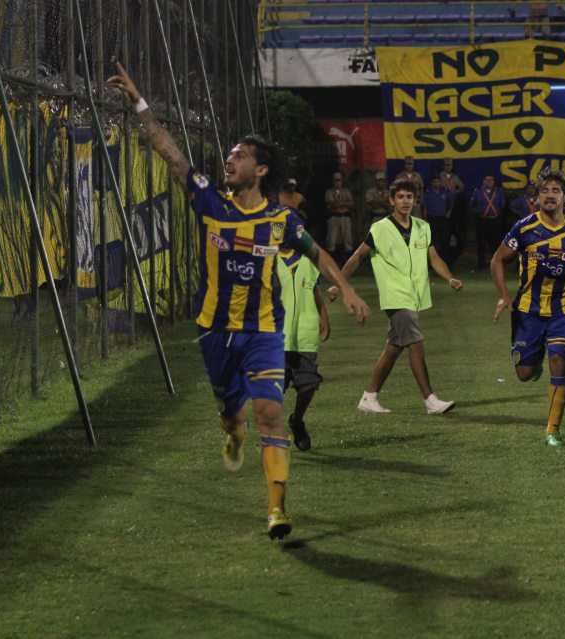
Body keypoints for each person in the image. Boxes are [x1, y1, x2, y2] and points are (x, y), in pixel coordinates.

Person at [107, 63, 371, 540]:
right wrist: (138, 101)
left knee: (269, 412)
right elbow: (169, 152)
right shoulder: (211, 202)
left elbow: (318, 253)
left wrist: (347, 289)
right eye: (229, 154)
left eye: (240, 155)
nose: (230, 159)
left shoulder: (281, 219)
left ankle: (277, 510)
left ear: (261, 169)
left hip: (264, 331)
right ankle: (232, 432)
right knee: (233, 414)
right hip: (215, 330)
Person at [328, 178, 463, 416]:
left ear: (415, 200)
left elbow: (433, 258)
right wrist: (339, 285)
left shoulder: (423, 227)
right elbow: (358, 257)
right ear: (392, 201)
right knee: (416, 343)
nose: (405, 201)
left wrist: (450, 278)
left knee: (394, 347)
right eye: (400, 197)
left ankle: (369, 396)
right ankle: (430, 400)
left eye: (409, 197)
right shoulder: (380, 228)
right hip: (394, 296)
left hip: (414, 296)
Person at [490, 166, 565, 447]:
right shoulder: (523, 228)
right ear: (537, 197)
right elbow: (497, 260)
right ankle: (533, 361)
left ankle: (552, 430)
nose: (550, 195)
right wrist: (503, 295)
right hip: (528, 312)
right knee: (524, 374)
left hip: (563, 311)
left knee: (559, 363)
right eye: (544, 190)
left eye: (556, 191)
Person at [277, 248, 330, 451]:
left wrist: (324, 317)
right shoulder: (267, 259)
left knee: (309, 384)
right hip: (276, 335)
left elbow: (314, 289)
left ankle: (297, 421)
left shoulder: (308, 259)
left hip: (305, 334)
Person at [469, 173, 506, 269]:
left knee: (495, 243)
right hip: (481, 221)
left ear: (494, 182)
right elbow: (472, 205)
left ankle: (495, 264)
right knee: (481, 243)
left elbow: (502, 205)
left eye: (491, 180)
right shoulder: (477, 192)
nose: (489, 182)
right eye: (487, 180)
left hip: (495, 220)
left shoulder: (499, 192)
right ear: (483, 181)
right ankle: (481, 264)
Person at [438, 158, 465, 264]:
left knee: (454, 229)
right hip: (442, 203)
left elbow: (462, 187)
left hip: (452, 205)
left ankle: (454, 254)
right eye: (446, 165)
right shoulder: (440, 176)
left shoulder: (455, 177)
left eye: (450, 165)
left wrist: (454, 192)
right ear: (443, 166)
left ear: (452, 166)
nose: (448, 167)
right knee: (444, 231)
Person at [423, 175, 454, 263]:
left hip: (443, 219)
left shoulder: (445, 193)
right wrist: (425, 220)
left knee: (444, 240)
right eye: (435, 181)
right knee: (431, 242)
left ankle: (445, 262)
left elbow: (452, 202)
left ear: (440, 182)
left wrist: (449, 211)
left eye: (438, 181)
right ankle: (431, 262)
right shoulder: (428, 194)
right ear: (432, 183)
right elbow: (424, 208)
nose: (436, 183)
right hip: (432, 219)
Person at [324, 172, 355, 258]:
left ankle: (347, 258)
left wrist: (338, 204)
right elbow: (331, 204)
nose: (337, 182)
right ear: (333, 181)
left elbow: (351, 204)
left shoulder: (346, 191)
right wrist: (345, 204)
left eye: (339, 180)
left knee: (347, 238)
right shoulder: (329, 192)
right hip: (334, 217)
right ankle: (331, 258)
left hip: (345, 217)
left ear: (342, 181)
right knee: (331, 239)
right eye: (336, 180)